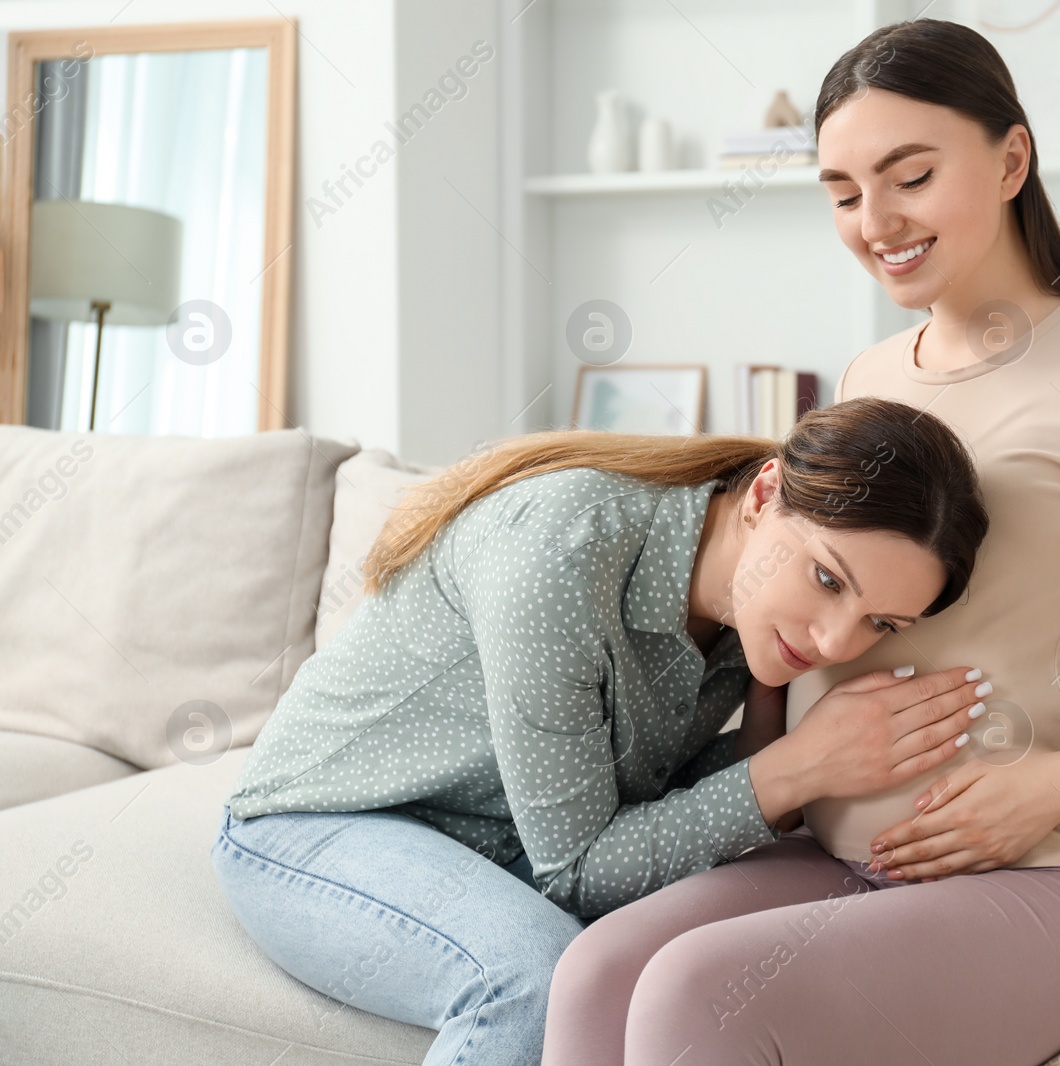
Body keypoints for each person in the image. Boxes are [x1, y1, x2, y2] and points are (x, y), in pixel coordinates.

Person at [541, 19, 1060, 1066]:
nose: (874, 220)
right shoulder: (872, 374)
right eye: (840, 192)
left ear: (1011, 159)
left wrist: (1050, 788)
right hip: (841, 856)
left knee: (700, 997)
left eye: (909, 175)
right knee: (596, 970)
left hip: (1051, 877)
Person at [209, 394, 993, 1066]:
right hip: (322, 822)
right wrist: (797, 770)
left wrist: (778, 720)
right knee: (535, 979)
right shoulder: (561, 554)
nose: (834, 643)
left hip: (498, 841)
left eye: (880, 623)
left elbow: (647, 800)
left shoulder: (741, 610)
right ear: (763, 496)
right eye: (826, 579)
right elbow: (579, 868)